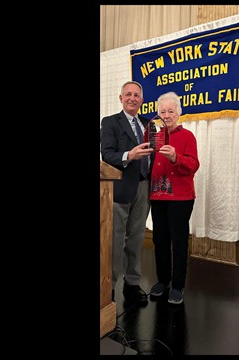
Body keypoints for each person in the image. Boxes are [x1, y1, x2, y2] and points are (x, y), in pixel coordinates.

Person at [100, 80, 154, 304]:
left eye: (137, 95)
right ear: (121, 98)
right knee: (114, 241)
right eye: (128, 94)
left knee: (136, 238)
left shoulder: (149, 125)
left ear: (142, 100)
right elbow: (107, 155)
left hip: (144, 188)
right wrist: (128, 156)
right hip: (120, 188)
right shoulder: (110, 122)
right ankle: (108, 287)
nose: (132, 98)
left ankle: (132, 284)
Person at [148, 91, 200, 305]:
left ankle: (178, 285)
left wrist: (176, 158)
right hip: (157, 196)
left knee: (178, 242)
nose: (167, 115)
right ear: (158, 114)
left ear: (178, 113)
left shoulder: (187, 136)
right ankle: (163, 280)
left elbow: (194, 165)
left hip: (181, 197)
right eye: (163, 111)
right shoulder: (154, 136)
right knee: (159, 240)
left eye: (171, 111)